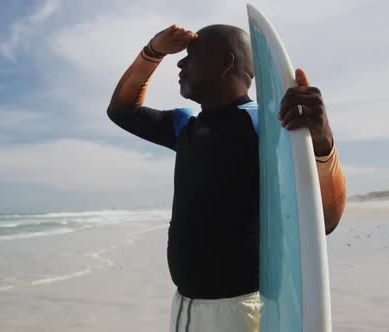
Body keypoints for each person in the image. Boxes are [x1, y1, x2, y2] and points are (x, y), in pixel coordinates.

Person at [107, 24, 346, 332]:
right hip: (184, 307)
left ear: (225, 62)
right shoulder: (186, 124)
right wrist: (153, 52)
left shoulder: (268, 126)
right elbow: (121, 111)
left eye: (190, 56)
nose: (179, 63)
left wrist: (320, 139)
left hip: (240, 311)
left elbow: (324, 220)